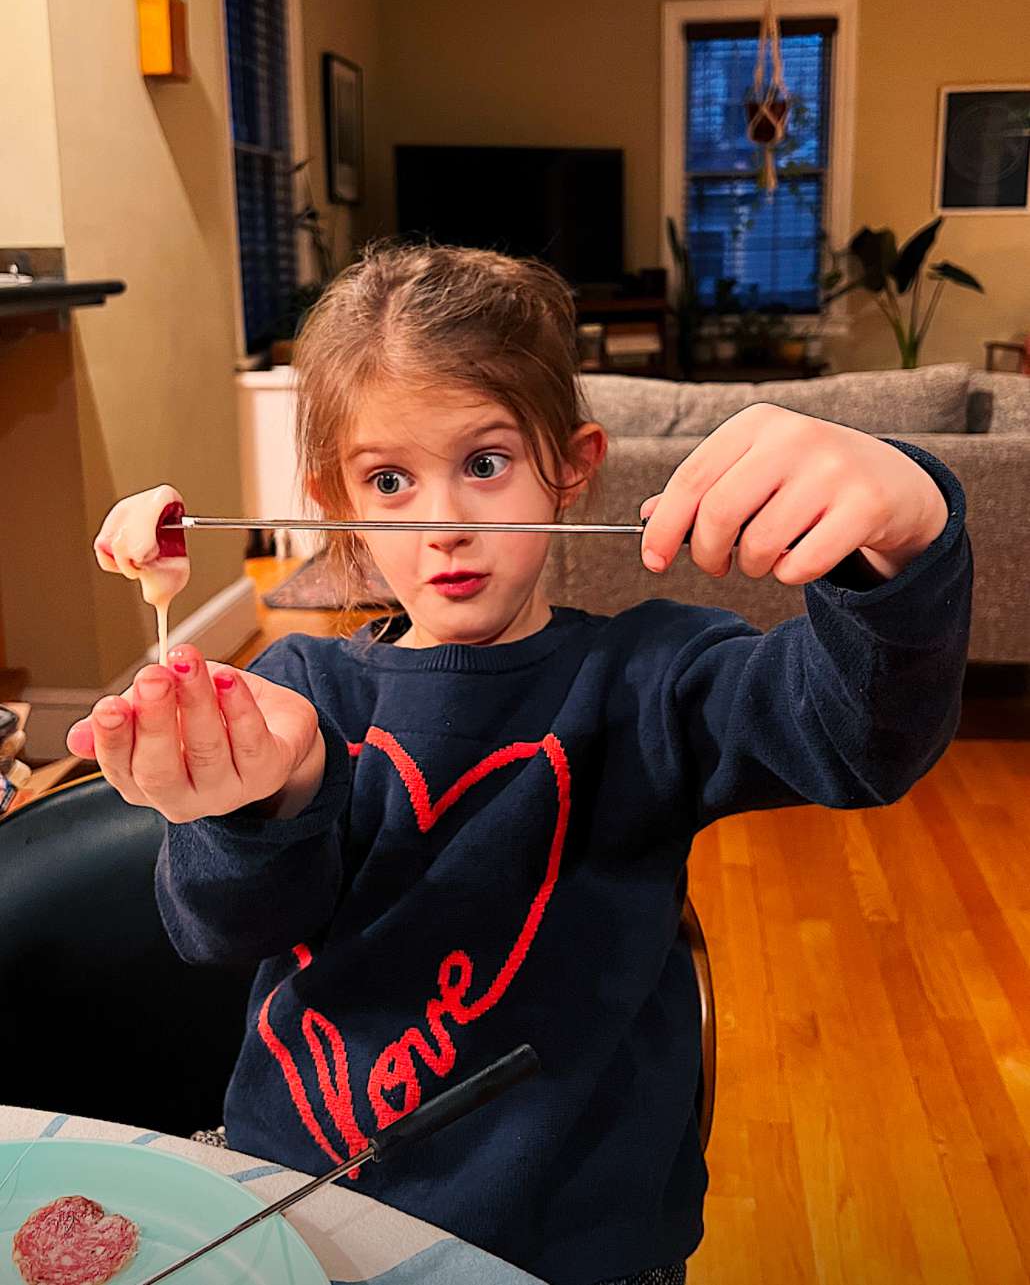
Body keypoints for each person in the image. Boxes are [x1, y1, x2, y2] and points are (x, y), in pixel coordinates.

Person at [68, 245, 972, 1285]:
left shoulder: (654, 680)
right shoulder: (299, 693)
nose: (444, 521)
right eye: (391, 480)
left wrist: (909, 535)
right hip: (300, 1203)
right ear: (334, 497)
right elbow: (222, 929)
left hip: (581, 1241)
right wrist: (261, 803)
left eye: (485, 464)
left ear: (572, 463)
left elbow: (862, 740)